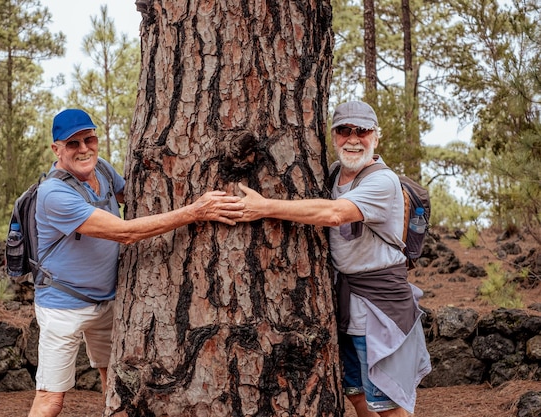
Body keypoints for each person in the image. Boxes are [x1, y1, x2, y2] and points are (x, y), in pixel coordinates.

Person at [28, 108, 244, 417]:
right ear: (56, 149)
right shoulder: (53, 193)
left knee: (114, 386)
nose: (83, 149)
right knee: (51, 401)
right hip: (63, 306)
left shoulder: (101, 169)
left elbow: (139, 195)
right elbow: (125, 233)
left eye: (89, 140)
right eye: (73, 144)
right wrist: (195, 212)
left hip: (107, 302)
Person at [237, 101, 431, 417]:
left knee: (388, 404)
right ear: (333, 135)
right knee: (356, 395)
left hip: (382, 309)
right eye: (344, 130)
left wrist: (264, 207)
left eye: (362, 131)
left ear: (376, 137)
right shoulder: (333, 173)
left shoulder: (382, 181)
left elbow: (335, 213)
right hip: (347, 305)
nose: (353, 139)